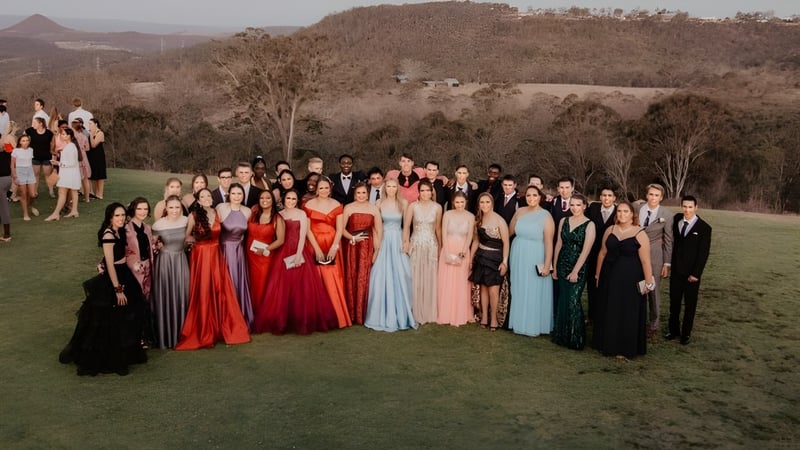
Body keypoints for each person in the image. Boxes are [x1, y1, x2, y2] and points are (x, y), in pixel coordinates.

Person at [58, 203, 147, 375]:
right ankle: (109, 356)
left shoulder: (119, 231)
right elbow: (110, 264)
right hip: (114, 277)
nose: (121, 218)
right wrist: (118, 290)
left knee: (129, 313)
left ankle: (127, 351)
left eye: (122, 215)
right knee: (109, 318)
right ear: (110, 217)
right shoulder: (108, 235)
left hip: (124, 272)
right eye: (117, 216)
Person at [252, 190, 339, 335]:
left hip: (298, 251)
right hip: (281, 252)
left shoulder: (301, 214)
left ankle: (302, 319)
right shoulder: (279, 215)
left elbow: (302, 236)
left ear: (297, 200)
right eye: (288, 198)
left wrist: (298, 255)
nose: (291, 201)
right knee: (281, 287)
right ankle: (282, 321)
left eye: (293, 199)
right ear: (284, 199)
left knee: (301, 288)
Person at [176, 188, 250, 350]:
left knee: (220, 290)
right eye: (203, 196)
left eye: (209, 195)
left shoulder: (217, 213)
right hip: (201, 257)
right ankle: (204, 329)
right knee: (203, 290)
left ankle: (220, 327)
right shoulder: (193, 215)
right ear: (198, 200)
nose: (207, 198)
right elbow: (186, 237)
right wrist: (192, 240)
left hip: (216, 255)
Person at [593, 201, 654, 359]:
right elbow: (602, 253)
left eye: (625, 211)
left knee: (627, 311)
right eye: (619, 211)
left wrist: (648, 283)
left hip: (631, 278)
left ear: (632, 214)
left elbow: (645, 261)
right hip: (609, 276)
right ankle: (607, 344)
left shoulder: (640, 233)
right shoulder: (610, 230)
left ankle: (625, 347)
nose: (621, 214)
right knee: (610, 308)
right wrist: (598, 275)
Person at [365, 178, 417, 332]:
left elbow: (406, 225)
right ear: (384, 187)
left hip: (398, 238)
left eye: (394, 186)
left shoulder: (404, 203)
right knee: (380, 274)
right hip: (384, 239)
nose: (391, 189)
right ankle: (379, 313)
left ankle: (401, 311)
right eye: (389, 186)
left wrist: (406, 241)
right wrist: (377, 243)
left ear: (397, 188)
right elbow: (375, 226)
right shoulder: (378, 203)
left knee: (402, 273)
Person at [507, 186, 555, 337]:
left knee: (533, 289)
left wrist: (547, 265)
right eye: (528, 195)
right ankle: (518, 322)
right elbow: (509, 232)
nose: (531, 198)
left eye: (534, 195)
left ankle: (532, 325)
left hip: (536, 255)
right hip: (518, 254)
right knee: (518, 287)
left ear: (540, 197)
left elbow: (549, 242)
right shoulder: (519, 212)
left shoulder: (546, 216)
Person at [305, 176, 351, 328]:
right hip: (314, 243)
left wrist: (334, 247)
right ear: (316, 189)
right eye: (321, 188)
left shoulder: (337, 204)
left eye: (326, 188)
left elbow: (340, 229)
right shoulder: (308, 205)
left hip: (332, 243)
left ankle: (337, 316)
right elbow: (307, 230)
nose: (324, 190)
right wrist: (317, 249)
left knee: (333, 278)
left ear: (330, 188)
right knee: (316, 278)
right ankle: (318, 316)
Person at [666, 195, 712, 346]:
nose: (687, 210)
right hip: (676, 271)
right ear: (681, 206)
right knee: (674, 302)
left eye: (690, 207)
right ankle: (673, 330)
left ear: (696, 207)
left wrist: (696, 274)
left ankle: (686, 333)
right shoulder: (677, 220)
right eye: (685, 206)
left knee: (690, 305)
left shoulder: (704, 228)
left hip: (691, 274)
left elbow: (703, 253)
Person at [551, 194, 595, 350]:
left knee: (573, 300)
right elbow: (558, 244)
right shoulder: (563, 221)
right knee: (563, 299)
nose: (575, 208)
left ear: (584, 206)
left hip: (578, 266)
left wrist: (576, 271)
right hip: (562, 264)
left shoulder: (590, 224)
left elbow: (586, 250)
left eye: (578, 205)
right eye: (572, 205)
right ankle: (562, 336)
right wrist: (554, 267)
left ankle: (576, 338)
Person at [151, 195, 190, 349]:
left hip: (181, 261)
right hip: (165, 263)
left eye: (177, 207)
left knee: (183, 293)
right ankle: (165, 335)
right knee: (165, 295)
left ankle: (182, 334)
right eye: (171, 207)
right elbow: (154, 246)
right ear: (166, 208)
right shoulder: (158, 225)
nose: (174, 210)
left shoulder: (186, 221)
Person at [341, 183, 382, 324]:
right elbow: (341, 229)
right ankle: (351, 313)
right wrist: (352, 238)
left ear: (368, 194)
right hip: (352, 246)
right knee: (352, 275)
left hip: (367, 246)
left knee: (364, 277)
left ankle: (362, 314)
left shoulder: (374, 209)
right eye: (358, 193)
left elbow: (378, 231)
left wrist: (377, 250)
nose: (361, 195)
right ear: (354, 194)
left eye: (364, 193)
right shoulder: (348, 208)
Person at [403, 179, 442, 325]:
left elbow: (438, 229)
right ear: (418, 192)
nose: (425, 193)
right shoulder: (413, 206)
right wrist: (406, 243)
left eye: (428, 190)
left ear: (432, 191)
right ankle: (413, 309)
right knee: (414, 276)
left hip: (431, 245)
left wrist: (441, 247)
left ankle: (428, 310)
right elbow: (406, 226)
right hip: (416, 244)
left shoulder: (438, 207)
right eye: (422, 190)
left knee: (429, 277)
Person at [469, 192, 510, 330]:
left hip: (495, 259)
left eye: (487, 202)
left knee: (493, 290)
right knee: (483, 289)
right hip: (481, 257)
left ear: (492, 203)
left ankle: (494, 319)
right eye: (482, 202)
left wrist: (505, 262)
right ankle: (484, 317)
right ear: (478, 204)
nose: (485, 205)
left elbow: (506, 242)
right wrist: (471, 259)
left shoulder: (500, 220)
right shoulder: (477, 220)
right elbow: (476, 241)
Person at [217, 183, 254, 328]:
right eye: (233, 193)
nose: (236, 196)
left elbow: (249, 233)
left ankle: (239, 315)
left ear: (243, 195)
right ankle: (225, 317)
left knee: (239, 282)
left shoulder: (248, 211)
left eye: (239, 194)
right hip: (224, 250)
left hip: (239, 252)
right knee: (227, 282)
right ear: (229, 195)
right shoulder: (221, 208)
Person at [638, 183, 673, 337]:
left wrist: (667, 263)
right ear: (646, 195)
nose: (653, 198)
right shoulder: (637, 208)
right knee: (635, 286)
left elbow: (669, 239)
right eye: (651, 194)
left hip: (655, 253)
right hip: (634, 251)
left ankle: (653, 324)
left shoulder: (667, 214)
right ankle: (636, 319)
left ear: (661, 197)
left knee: (653, 288)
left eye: (656, 195)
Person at [436, 191, 474, 326]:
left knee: (461, 282)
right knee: (446, 281)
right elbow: (443, 234)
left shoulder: (470, 216)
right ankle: (445, 312)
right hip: (448, 248)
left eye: (462, 202)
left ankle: (460, 312)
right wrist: (446, 252)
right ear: (453, 202)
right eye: (457, 202)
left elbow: (469, 236)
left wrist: (462, 253)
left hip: (463, 250)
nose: (459, 205)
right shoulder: (447, 214)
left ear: (466, 202)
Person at [246, 190, 285, 321]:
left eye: (268, 198)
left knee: (262, 284)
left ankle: (262, 314)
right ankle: (251, 312)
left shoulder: (277, 218)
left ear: (272, 200)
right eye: (262, 198)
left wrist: (265, 249)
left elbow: (280, 240)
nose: (265, 200)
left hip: (265, 257)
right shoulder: (253, 214)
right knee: (250, 283)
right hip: (249, 255)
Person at [586, 187, 617, 323]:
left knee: (609, 285)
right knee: (592, 285)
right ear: (600, 197)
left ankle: (606, 315)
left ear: (614, 198)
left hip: (611, 254)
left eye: (609, 195)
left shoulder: (619, 211)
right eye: (604, 195)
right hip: (593, 253)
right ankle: (592, 315)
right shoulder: (593, 208)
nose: (606, 198)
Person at [44, 128, 81, 221]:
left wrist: (58, 163)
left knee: (62, 192)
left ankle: (56, 213)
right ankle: (74, 210)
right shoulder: (69, 146)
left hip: (69, 173)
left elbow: (72, 162)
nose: (62, 135)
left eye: (64, 134)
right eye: (62, 134)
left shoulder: (71, 147)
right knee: (73, 191)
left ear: (69, 136)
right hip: (69, 172)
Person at [124, 198, 155, 300]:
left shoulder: (147, 228)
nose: (143, 212)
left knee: (147, 295)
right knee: (135, 296)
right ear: (133, 209)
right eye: (139, 209)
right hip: (132, 269)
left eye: (145, 209)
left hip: (147, 267)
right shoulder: (126, 229)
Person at [11, 134, 39, 221]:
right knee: (23, 194)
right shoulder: (16, 151)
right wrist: (14, 176)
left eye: (27, 140)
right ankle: (25, 214)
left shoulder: (31, 150)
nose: (25, 142)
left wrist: (33, 172)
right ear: (20, 142)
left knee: (33, 194)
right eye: (23, 141)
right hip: (20, 172)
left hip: (29, 171)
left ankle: (29, 206)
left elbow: (30, 162)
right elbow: (12, 165)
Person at [25, 117, 54, 199]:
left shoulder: (49, 133)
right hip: (35, 157)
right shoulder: (30, 131)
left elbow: (52, 144)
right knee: (35, 175)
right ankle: (35, 191)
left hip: (46, 157)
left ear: (40, 123)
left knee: (48, 175)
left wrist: (53, 151)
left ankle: (51, 191)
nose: (33, 124)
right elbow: (24, 137)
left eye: (35, 123)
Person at [71, 118, 92, 203]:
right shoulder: (84, 136)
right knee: (85, 179)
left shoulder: (72, 137)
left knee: (75, 179)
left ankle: (73, 198)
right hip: (83, 157)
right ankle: (87, 198)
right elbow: (88, 148)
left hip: (75, 156)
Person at [87, 118, 107, 199]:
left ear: (96, 124)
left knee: (100, 175)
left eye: (90, 123)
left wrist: (91, 134)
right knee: (93, 174)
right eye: (88, 124)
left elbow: (93, 145)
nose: (89, 125)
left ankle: (99, 194)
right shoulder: (90, 133)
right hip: (91, 156)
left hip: (98, 156)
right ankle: (93, 193)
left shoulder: (100, 133)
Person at [0, 140, 10, 241]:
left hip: (2, 180)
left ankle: (7, 234)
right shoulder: (6, 151)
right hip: (7, 179)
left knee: (3, 207)